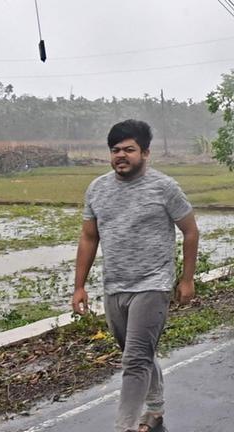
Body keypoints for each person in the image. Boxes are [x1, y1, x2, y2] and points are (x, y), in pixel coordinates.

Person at [71, 120, 198, 432]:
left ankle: (124, 426)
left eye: (129, 149)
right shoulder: (97, 189)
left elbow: (190, 231)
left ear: (146, 153)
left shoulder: (164, 188)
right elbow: (89, 237)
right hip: (115, 285)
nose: (121, 155)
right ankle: (154, 409)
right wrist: (79, 286)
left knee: (135, 359)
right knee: (136, 353)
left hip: (153, 285)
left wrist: (186, 279)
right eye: (115, 150)